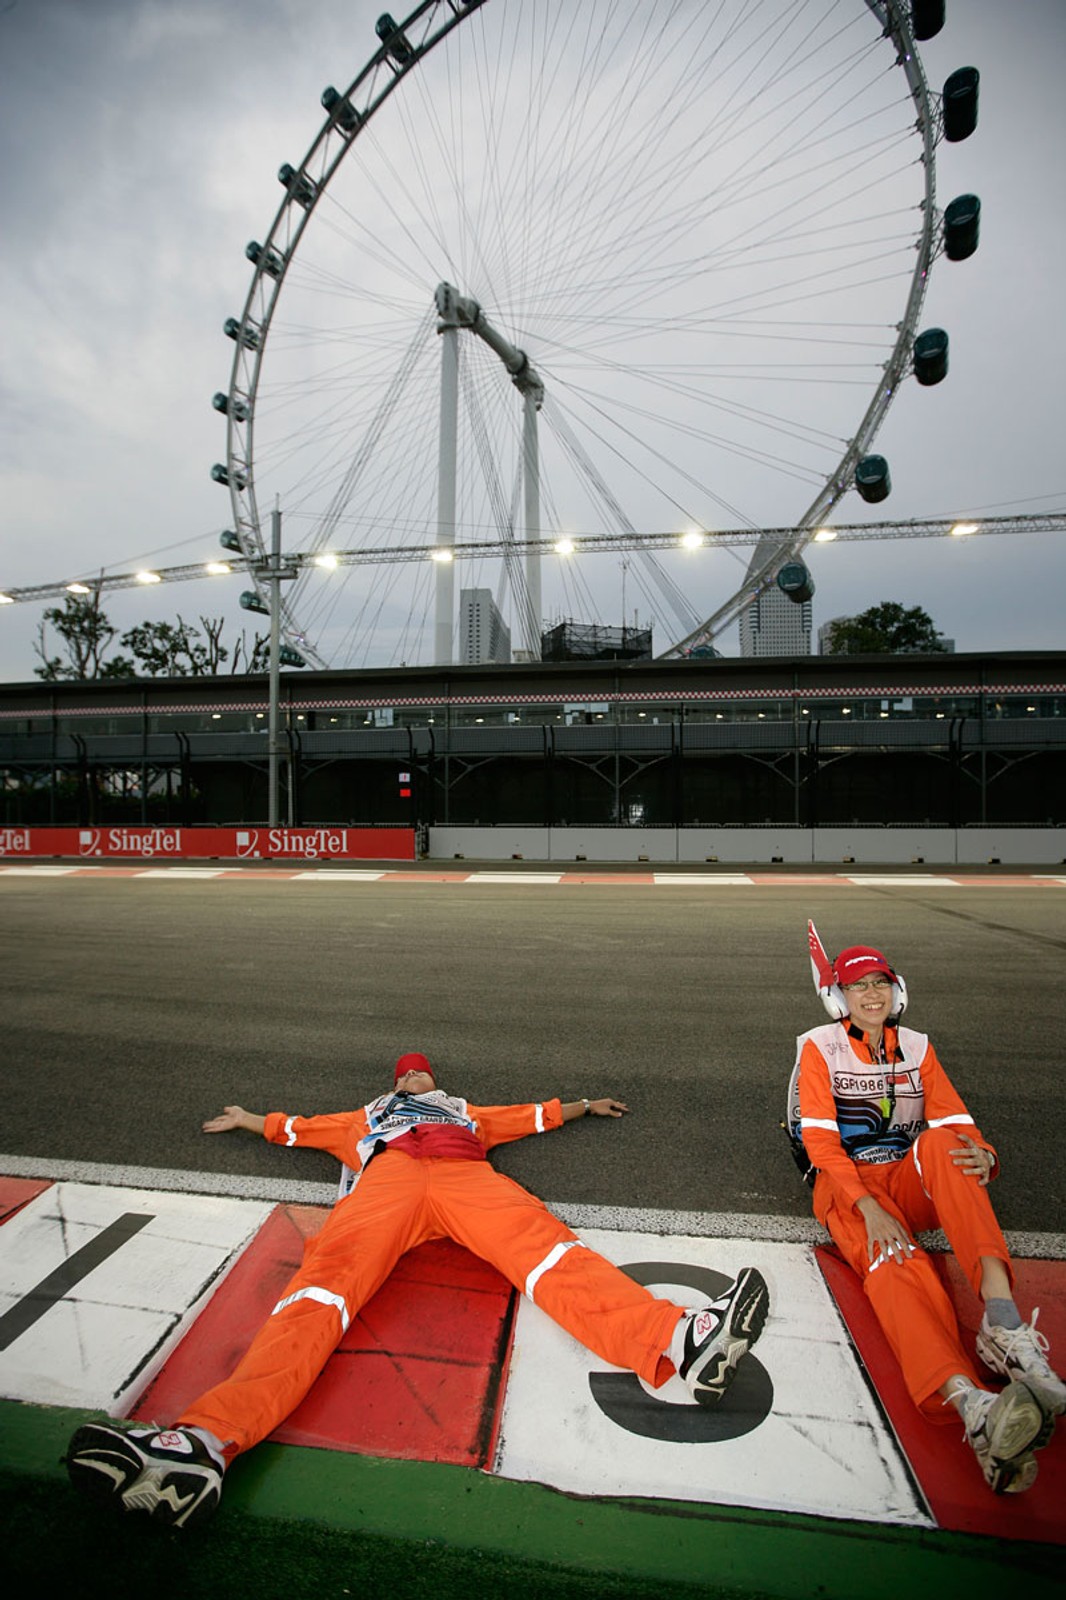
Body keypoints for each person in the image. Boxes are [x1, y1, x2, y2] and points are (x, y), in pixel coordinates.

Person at [66, 1051, 770, 1530]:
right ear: (395, 1085)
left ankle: (680, 1340)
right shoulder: (365, 1116)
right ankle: (203, 1443)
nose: (418, 1082)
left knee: (547, 1251)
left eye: (424, 1076)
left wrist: (583, 1105)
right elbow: (299, 1130)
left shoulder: (463, 1111)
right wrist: (250, 1118)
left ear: (434, 1082)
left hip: (464, 1179)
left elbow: (527, 1115)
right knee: (318, 1293)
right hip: (388, 1182)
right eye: (410, 1078)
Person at [792, 924, 1064, 1496]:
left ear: (898, 991)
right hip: (848, 1189)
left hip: (905, 1178)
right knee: (898, 1265)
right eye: (858, 986)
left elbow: (951, 1117)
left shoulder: (917, 1046)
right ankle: (973, 1406)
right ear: (838, 997)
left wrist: (982, 1153)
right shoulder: (818, 1045)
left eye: (881, 984)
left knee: (949, 1147)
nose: (872, 995)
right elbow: (819, 1145)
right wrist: (869, 1206)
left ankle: (1002, 1325)